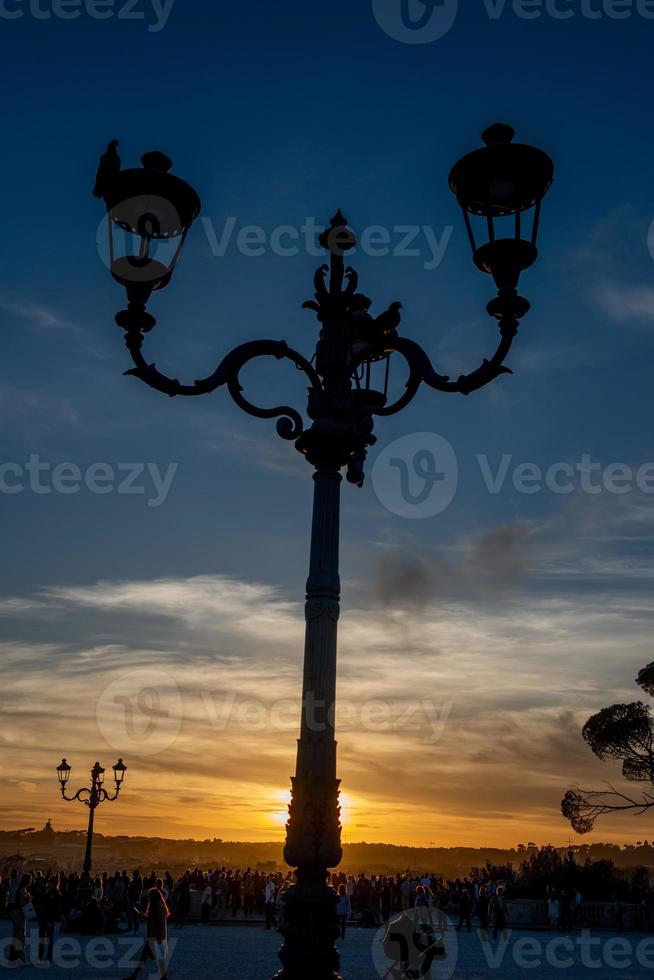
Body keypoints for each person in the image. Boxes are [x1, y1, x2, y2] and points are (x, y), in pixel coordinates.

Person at [123, 886, 170, 980]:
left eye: (149, 896)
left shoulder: (155, 907)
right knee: (150, 957)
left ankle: (134, 976)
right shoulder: (161, 906)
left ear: (152, 897)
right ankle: (162, 977)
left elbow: (151, 920)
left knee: (145, 958)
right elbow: (157, 921)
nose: (148, 898)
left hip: (153, 936)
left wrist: (140, 915)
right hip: (157, 936)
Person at [8, 873, 32, 965]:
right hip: (20, 914)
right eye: (30, 879)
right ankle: (20, 959)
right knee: (20, 936)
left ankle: (13, 957)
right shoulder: (22, 889)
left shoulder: (19, 888)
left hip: (16, 913)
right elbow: (22, 903)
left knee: (16, 935)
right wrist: (28, 899)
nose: (31, 881)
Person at [37, 876, 62, 962]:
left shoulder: (57, 894)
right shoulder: (47, 891)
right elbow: (41, 900)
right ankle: (40, 955)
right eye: (49, 882)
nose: (49, 883)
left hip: (49, 917)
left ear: (55, 883)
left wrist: (52, 919)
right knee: (41, 937)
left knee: (49, 938)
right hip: (44, 916)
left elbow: (56, 908)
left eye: (51, 882)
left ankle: (49, 955)